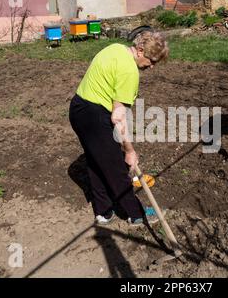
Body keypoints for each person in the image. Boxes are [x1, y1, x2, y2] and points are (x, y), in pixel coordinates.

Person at [69, 31, 169, 226]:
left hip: (78, 109)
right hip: (96, 117)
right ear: (140, 51)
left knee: (96, 160)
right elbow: (119, 118)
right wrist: (129, 150)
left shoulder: (114, 48)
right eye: (152, 61)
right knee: (116, 167)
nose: (152, 66)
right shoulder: (129, 72)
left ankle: (103, 212)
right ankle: (137, 214)